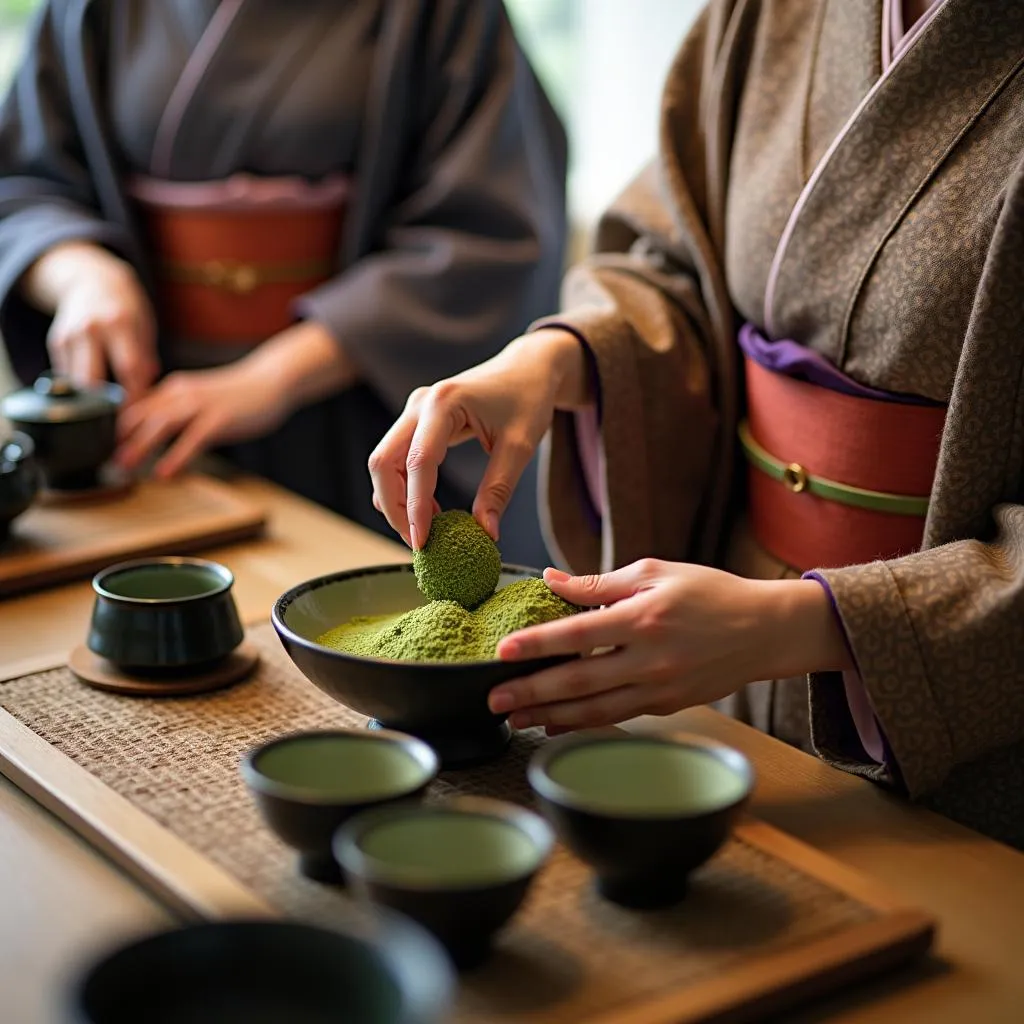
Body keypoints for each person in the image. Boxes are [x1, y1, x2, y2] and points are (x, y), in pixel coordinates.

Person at [369, 0, 1024, 850]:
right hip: (717, 643)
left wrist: (805, 625)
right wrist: (560, 357)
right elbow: (673, 256)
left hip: (960, 718)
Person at [0, 0, 567, 565]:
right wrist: (82, 273)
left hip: (359, 414)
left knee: (364, 609)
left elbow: (483, 233)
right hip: (156, 415)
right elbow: (23, 179)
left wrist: (273, 376)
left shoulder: (444, 12)